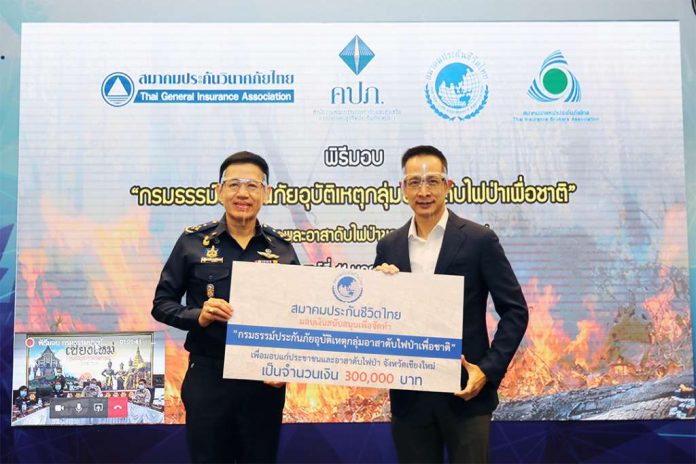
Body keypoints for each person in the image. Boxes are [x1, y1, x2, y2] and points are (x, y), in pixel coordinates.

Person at [374, 145, 528, 463]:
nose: (424, 191)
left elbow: (515, 310)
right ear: (403, 189)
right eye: (415, 182)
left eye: (433, 181)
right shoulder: (389, 246)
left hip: (466, 395)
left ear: (448, 185)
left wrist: (487, 370)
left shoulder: (479, 240)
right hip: (409, 400)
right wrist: (376, 287)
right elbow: (377, 317)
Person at [152, 151, 300, 463]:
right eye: (234, 185)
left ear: (266, 193)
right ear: (219, 191)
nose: (242, 193)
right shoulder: (192, 243)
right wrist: (198, 316)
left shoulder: (282, 249)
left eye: (252, 185)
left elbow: (298, 317)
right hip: (209, 377)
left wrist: (285, 364)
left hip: (263, 382)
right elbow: (162, 304)